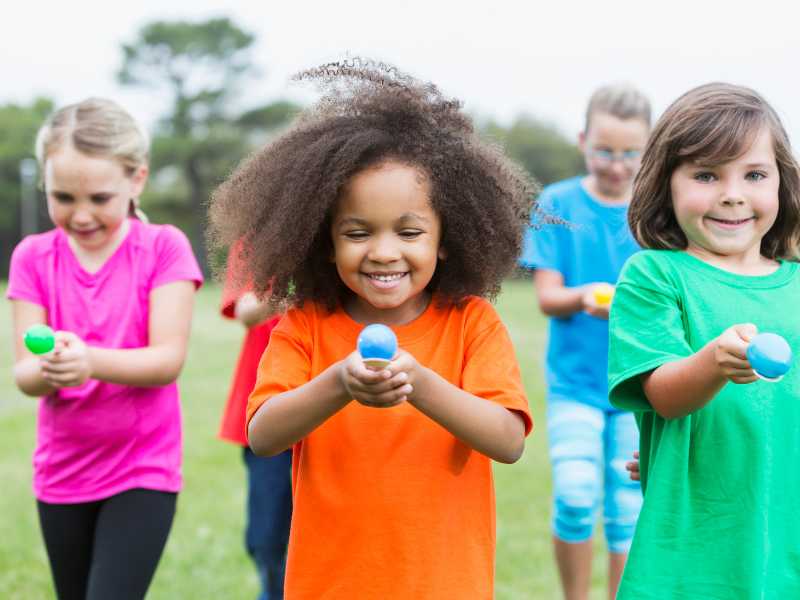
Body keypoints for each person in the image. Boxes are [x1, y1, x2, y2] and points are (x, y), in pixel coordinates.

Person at [207, 58, 536, 600]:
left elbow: (507, 441)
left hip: (445, 585)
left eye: (409, 231)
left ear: (445, 239)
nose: (384, 252)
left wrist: (421, 384)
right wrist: (339, 383)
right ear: (325, 242)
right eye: (358, 233)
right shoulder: (305, 326)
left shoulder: (472, 322)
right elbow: (264, 435)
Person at [608, 82, 800, 598]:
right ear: (666, 184)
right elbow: (665, 398)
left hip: (786, 537)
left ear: (783, 182)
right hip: (695, 548)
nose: (733, 193)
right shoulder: (654, 277)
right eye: (706, 174)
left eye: (754, 174)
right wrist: (714, 362)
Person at [8, 98, 203, 600]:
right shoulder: (33, 257)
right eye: (63, 197)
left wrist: (89, 361)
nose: (80, 214)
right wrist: (52, 367)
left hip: (142, 469)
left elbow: (166, 361)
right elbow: (24, 376)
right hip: (62, 471)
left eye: (98, 197)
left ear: (136, 179)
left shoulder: (164, 248)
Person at [518, 84, 650, 600]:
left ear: (648, 149)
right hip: (575, 383)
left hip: (637, 384)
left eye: (629, 153)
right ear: (583, 141)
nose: (616, 165)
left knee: (626, 507)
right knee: (575, 497)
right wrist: (589, 297)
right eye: (604, 151)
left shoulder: (654, 209)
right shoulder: (558, 203)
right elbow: (548, 297)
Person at [218, 261, 291, 600]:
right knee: (269, 540)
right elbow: (247, 310)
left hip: (342, 416)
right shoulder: (260, 231)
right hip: (267, 413)